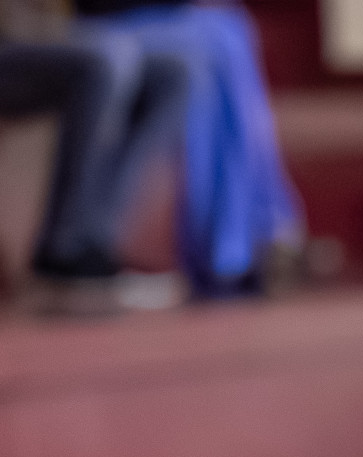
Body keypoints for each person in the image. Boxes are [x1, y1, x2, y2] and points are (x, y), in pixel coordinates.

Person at [74, 0, 303, 296]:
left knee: (230, 30)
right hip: (103, 21)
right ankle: (232, 244)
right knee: (203, 53)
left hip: (164, 16)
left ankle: (250, 236)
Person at [0, 0, 185, 297]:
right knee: (102, 62)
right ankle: (62, 252)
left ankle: (96, 243)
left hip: (50, 33)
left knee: (172, 74)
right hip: (12, 39)